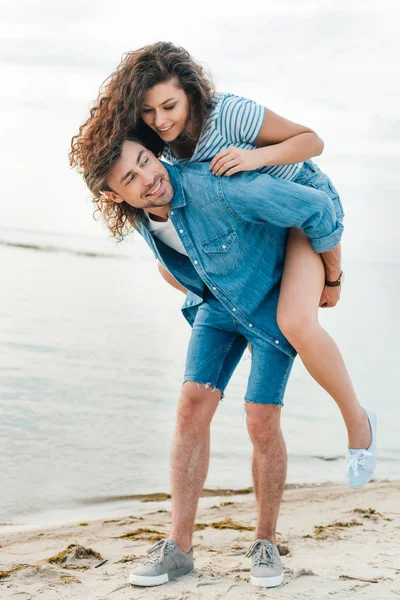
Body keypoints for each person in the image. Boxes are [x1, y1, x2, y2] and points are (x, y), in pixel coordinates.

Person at [69, 132, 377, 588]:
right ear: (116, 196)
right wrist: (200, 293)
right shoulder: (143, 219)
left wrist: (331, 280)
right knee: (191, 405)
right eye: (131, 179)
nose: (149, 179)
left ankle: (265, 542)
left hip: (271, 306)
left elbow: (316, 209)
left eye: (146, 161)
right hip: (218, 306)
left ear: (155, 153)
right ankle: (179, 547)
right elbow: (172, 260)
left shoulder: (215, 184)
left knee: (261, 419)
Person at [70, 42, 373, 469]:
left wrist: (255, 157)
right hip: (266, 226)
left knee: (296, 321)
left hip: (303, 206)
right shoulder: (168, 146)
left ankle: (359, 424)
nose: (161, 120)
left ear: (190, 93)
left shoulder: (228, 113)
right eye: (149, 112)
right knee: (173, 273)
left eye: (170, 105)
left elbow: (313, 141)